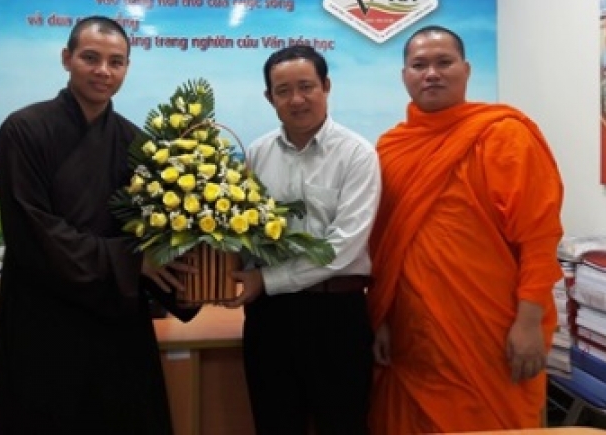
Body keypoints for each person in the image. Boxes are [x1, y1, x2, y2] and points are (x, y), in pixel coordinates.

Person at [0, 15, 198, 434]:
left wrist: (197, 266)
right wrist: (132, 262)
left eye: (116, 62)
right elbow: (34, 231)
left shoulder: (136, 143)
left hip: (116, 321)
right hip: (45, 319)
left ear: (127, 68)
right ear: (66, 59)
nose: (103, 71)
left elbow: (152, 230)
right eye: (90, 58)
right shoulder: (23, 130)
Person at [368, 25, 564, 434]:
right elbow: (382, 245)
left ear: (467, 69)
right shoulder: (390, 149)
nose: (431, 73)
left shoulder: (504, 135)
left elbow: (539, 238)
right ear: (404, 75)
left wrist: (529, 322)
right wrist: (380, 318)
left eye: (444, 62)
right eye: (419, 65)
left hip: (489, 333)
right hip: (412, 339)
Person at [224, 44, 381, 435]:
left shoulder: (357, 154)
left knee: (343, 425)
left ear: (326, 86)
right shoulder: (256, 153)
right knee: (274, 424)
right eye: (283, 90)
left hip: (336, 315)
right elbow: (244, 233)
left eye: (306, 86)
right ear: (269, 98)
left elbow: (342, 247)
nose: (296, 99)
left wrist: (266, 280)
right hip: (269, 319)